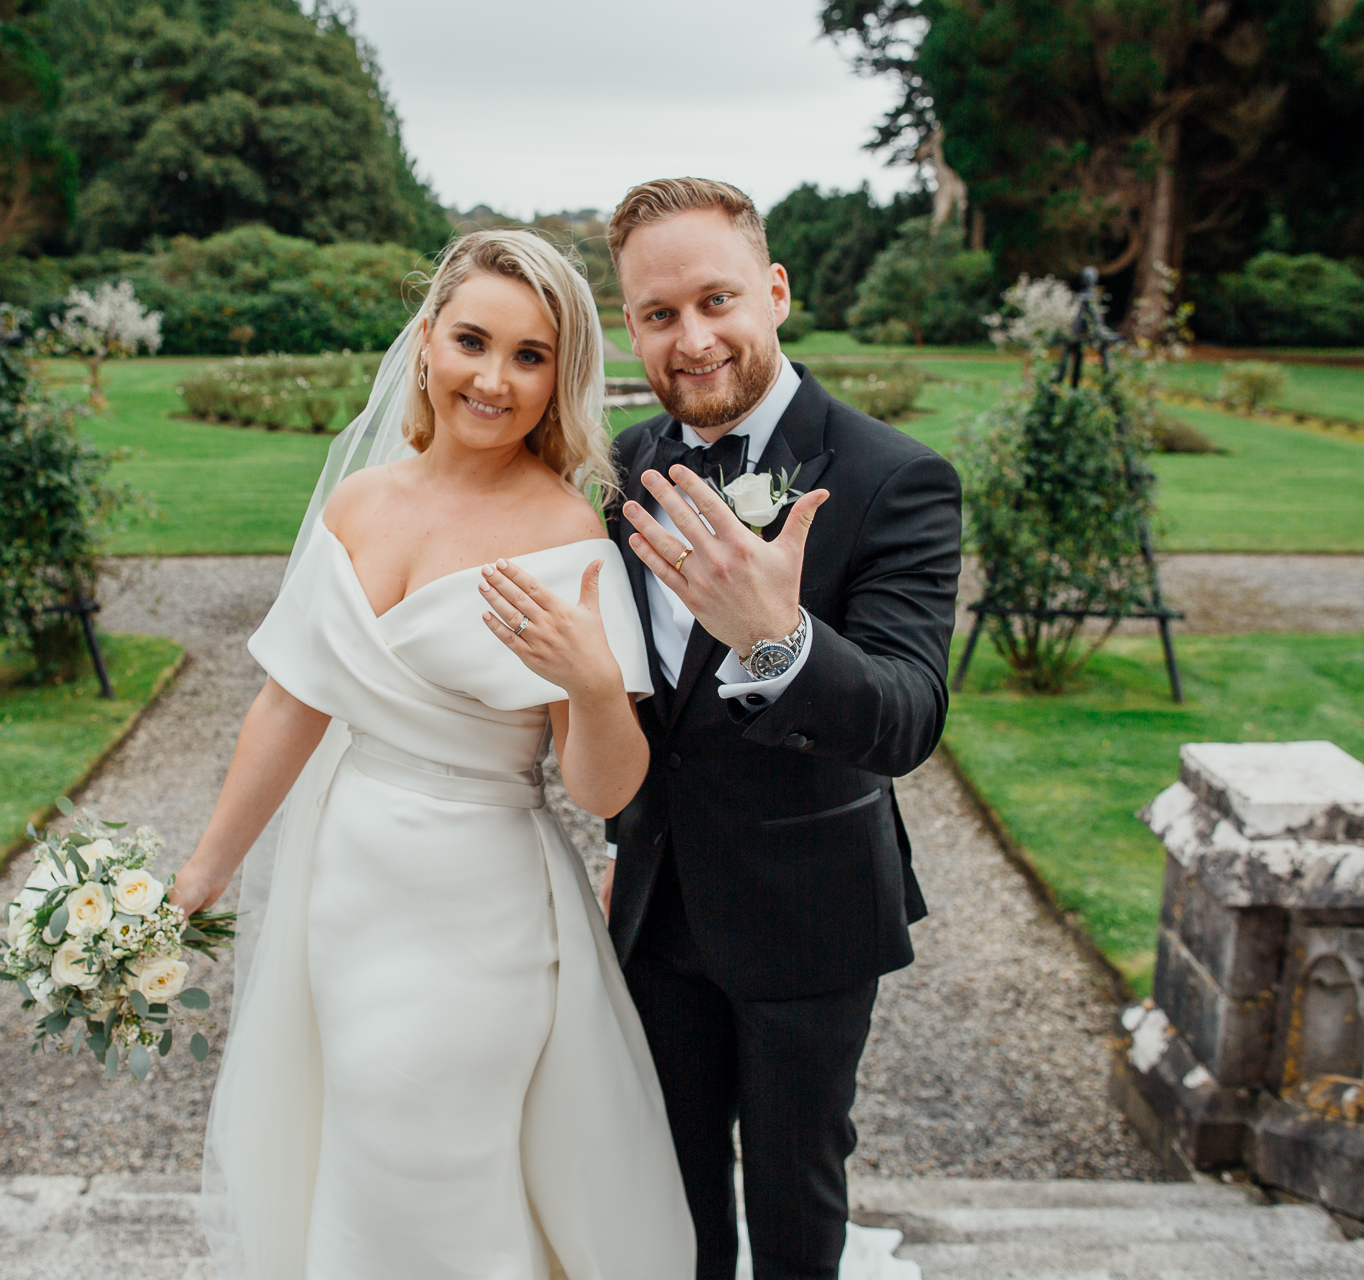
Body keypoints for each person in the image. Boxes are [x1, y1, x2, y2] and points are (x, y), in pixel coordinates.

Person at [170, 229, 695, 1279]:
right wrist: (202, 874)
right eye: (472, 340)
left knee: (441, 1156)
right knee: (359, 1144)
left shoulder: (568, 540)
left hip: (482, 905)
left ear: (560, 378)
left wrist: (592, 683)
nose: (493, 379)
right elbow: (290, 704)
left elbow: (606, 790)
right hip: (352, 882)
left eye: (530, 355)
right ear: (426, 341)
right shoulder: (361, 503)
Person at [598, 178, 962, 1280]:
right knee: (671, 1184)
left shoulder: (894, 476)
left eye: (717, 300)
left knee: (797, 1194)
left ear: (776, 290)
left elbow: (906, 717)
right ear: (632, 327)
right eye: (659, 315)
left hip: (810, 907)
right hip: (657, 904)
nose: (693, 337)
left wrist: (779, 638)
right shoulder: (618, 469)